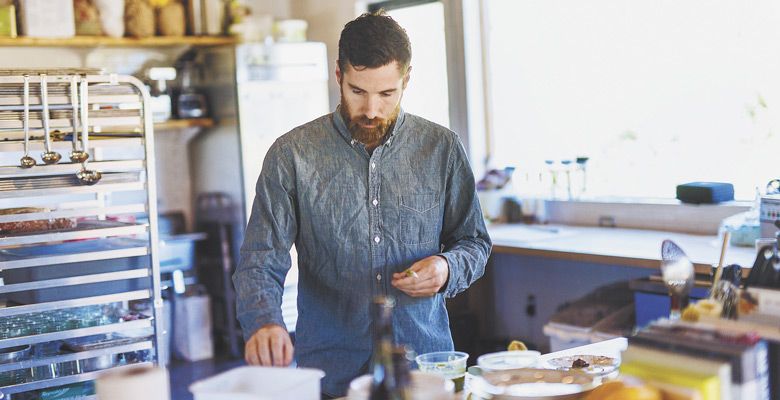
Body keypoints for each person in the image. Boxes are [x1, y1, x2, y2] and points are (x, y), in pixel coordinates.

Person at [234, 10, 492, 397]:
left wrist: (446, 266)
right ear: (338, 76)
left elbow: (475, 243)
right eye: (358, 91)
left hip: (423, 364)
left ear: (406, 81)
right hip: (332, 366)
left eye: (387, 94)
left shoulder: (442, 149)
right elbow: (260, 259)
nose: (371, 109)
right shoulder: (292, 155)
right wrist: (263, 322)